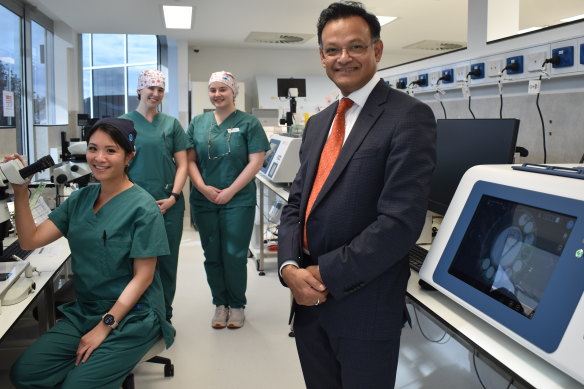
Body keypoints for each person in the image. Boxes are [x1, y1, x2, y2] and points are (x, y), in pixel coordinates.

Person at [277, 2, 437, 388]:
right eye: (332, 49)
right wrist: (288, 268)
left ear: (376, 50)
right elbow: (297, 203)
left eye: (356, 47)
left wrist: (322, 274)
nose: (343, 57)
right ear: (321, 56)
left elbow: (400, 223)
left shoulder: (408, 116)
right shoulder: (318, 123)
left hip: (363, 304)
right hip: (307, 302)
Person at [10, 118, 174, 389]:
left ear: (128, 157)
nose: (99, 158)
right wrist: (20, 191)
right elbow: (30, 240)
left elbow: (143, 278)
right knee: (24, 374)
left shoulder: (143, 208)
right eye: (93, 148)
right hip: (85, 310)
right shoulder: (80, 199)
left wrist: (105, 326)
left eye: (110, 150)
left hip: (133, 315)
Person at [186, 71, 269, 329]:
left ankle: (236, 305)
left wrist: (230, 190)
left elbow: (256, 161)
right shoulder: (198, 123)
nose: (217, 94)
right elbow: (188, 160)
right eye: (213, 90)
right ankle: (219, 304)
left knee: (233, 254)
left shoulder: (249, 123)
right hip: (204, 199)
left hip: (238, 199)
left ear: (234, 92)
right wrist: (203, 187)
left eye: (223, 89)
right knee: (212, 254)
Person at [121, 69, 189, 322]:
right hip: (133, 206)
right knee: (136, 265)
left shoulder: (171, 124)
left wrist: (173, 196)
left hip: (168, 204)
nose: (155, 93)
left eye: (160, 90)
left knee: (167, 265)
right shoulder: (123, 124)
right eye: (150, 88)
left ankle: (164, 316)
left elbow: (183, 164)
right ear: (139, 90)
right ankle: (139, 316)